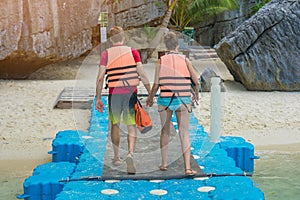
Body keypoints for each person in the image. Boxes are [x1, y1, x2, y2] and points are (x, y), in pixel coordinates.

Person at [96, 26, 151, 174]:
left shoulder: (105, 54)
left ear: (111, 40)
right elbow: (142, 74)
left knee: (115, 124)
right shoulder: (133, 52)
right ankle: (130, 154)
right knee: (131, 125)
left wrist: (97, 98)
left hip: (114, 94)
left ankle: (116, 157)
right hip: (130, 93)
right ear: (123, 38)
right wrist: (150, 92)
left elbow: (100, 78)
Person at [146, 32, 200, 176]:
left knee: (165, 131)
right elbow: (197, 82)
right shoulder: (185, 60)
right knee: (184, 132)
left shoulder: (161, 61)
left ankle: (164, 164)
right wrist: (196, 94)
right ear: (177, 44)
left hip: (165, 99)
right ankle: (187, 167)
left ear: (165, 45)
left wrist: (150, 98)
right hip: (183, 100)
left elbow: (156, 84)